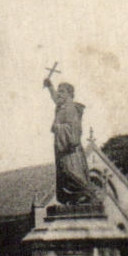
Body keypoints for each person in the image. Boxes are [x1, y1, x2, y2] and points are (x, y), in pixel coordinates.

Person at [44, 76, 91, 205]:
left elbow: (74, 130)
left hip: (70, 150)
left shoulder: (71, 108)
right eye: (58, 92)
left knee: (72, 172)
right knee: (65, 174)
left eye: (62, 92)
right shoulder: (62, 106)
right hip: (62, 148)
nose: (58, 94)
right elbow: (56, 99)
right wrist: (50, 87)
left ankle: (87, 194)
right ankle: (74, 198)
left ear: (70, 94)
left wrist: (57, 127)